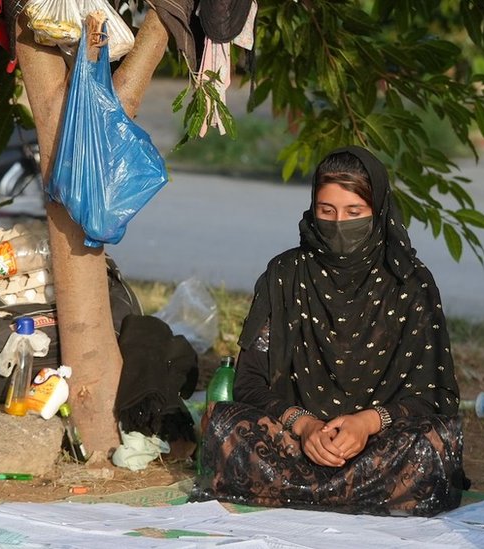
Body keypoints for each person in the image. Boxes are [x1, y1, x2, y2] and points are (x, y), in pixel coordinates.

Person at [191, 146, 468, 517]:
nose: (339, 224)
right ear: (312, 209)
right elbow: (250, 380)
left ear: (378, 211)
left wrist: (366, 424)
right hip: (296, 440)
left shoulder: (409, 282)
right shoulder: (285, 274)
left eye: (354, 213)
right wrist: (305, 426)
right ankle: (349, 492)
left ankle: (299, 492)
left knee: (432, 443)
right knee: (225, 424)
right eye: (327, 211)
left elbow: (434, 393)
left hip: (380, 442)